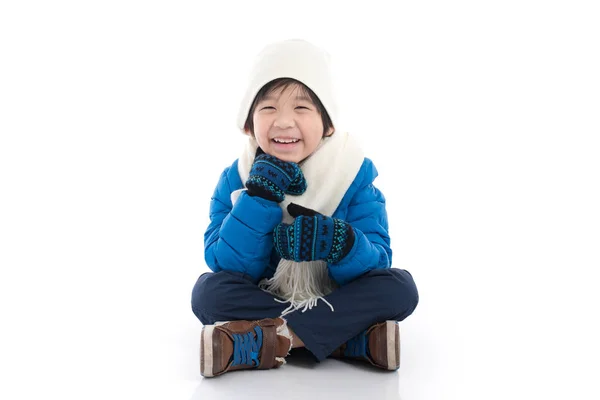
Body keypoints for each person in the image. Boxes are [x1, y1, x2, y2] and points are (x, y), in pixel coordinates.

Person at [191, 39, 419, 378]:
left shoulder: (353, 175)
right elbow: (226, 264)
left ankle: (270, 340)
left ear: (327, 125)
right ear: (249, 124)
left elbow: (377, 263)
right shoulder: (237, 179)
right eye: (268, 108)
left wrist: (342, 246)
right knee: (208, 293)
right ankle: (347, 339)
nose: (283, 122)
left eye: (301, 108)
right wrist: (258, 198)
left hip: (333, 293)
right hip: (269, 293)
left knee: (399, 287)